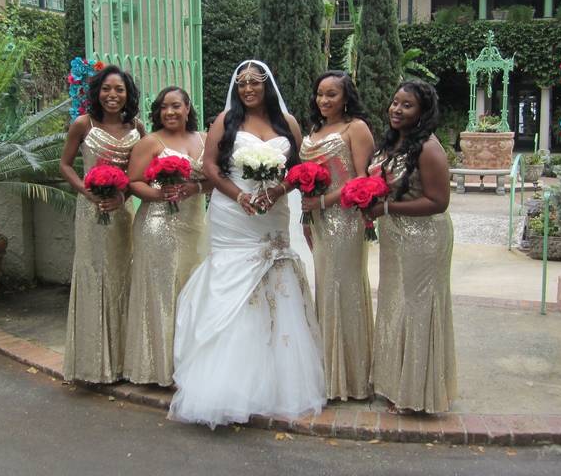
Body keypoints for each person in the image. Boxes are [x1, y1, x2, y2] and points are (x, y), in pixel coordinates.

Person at [168, 60, 325, 428]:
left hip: (272, 211)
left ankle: (275, 381)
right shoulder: (225, 120)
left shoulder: (289, 124)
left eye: (255, 83)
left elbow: (299, 171)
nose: (248, 89)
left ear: (268, 84)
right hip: (233, 212)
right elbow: (210, 167)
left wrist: (278, 191)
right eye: (242, 84)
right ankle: (225, 384)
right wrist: (240, 196)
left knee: (275, 280)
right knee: (232, 282)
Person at [366, 80, 456, 413]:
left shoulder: (429, 148)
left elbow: (438, 201)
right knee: (395, 304)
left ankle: (416, 394)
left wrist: (387, 209)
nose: (396, 109)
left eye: (407, 105)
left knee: (417, 308)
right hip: (396, 236)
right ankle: (394, 383)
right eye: (395, 102)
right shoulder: (393, 142)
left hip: (425, 238)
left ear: (423, 112)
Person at [61, 65, 143, 384]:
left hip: (122, 212)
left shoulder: (137, 127)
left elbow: (145, 167)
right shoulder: (83, 124)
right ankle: (93, 364)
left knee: (122, 276)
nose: (113, 95)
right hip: (91, 213)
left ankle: (123, 361)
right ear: (97, 92)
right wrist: (87, 191)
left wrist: (122, 196)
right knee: (96, 276)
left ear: (128, 94)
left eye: (119, 89)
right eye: (107, 89)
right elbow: (65, 165)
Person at [123, 86, 210, 386]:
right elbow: (133, 182)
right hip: (157, 226)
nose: (170, 112)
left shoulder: (205, 139)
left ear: (188, 108)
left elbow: (214, 181)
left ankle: (190, 365)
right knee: (162, 293)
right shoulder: (150, 141)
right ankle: (157, 368)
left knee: (192, 291)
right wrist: (160, 194)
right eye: (164, 107)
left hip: (195, 226)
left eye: (176, 106)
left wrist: (195, 188)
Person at [299, 71, 375, 401]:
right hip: (317, 219)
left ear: (346, 97)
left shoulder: (355, 128)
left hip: (345, 219)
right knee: (325, 290)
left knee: (342, 289)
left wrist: (323, 201)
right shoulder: (315, 130)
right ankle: (329, 375)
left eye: (332, 94)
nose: (324, 100)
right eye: (320, 94)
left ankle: (353, 379)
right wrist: (308, 214)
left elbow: (362, 181)